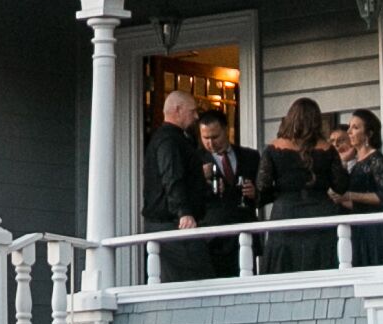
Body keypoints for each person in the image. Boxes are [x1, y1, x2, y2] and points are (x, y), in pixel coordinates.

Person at [256, 98, 339, 274]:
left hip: (286, 213)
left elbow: (262, 186)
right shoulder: (327, 149)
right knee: (321, 269)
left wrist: (278, 194)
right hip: (320, 214)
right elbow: (340, 185)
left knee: (284, 269)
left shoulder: (273, 148)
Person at [143, 89, 218, 280]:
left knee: (178, 281)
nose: (196, 116)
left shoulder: (171, 138)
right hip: (173, 224)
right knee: (200, 279)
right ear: (177, 110)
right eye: (192, 111)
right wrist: (184, 212)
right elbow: (172, 176)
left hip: (169, 223)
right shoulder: (169, 140)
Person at [193, 108, 259, 273]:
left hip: (245, 233)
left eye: (215, 137)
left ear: (226, 130)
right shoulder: (194, 161)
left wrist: (256, 193)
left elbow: (268, 191)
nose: (210, 143)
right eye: (205, 138)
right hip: (213, 238)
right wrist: (200, 178)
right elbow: (185, 195)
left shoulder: (250, 156)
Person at [328, 109, 383, 266]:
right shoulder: (357, 163)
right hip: (358, 229)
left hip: (373, 231)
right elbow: (356, 204)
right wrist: (338, 198)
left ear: (368, 133)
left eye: (355, 127)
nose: (349, 131)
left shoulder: (376, 160)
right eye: (350, 127)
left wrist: (350, 195)